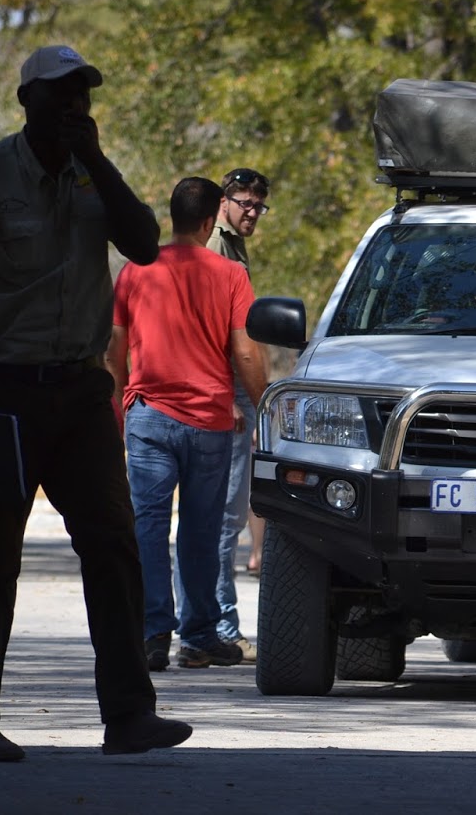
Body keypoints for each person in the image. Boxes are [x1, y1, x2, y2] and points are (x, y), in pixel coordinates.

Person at [0, 44, 189, 762]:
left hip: (77, 394)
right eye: (59, 94)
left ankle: (130, 716)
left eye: (83, 94)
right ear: (25, 101)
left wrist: (98, 162)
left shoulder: (92, 179)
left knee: (114, 544)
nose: (73, 105)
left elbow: (142, 247)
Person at [109, 176, 266, 671]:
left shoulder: (136, 270)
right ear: (207, 221)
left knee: (149, 527)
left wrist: (119, 406)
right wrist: (267, 404)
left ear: (171, 216)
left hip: (148, 418)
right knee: (200, 530)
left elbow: (114, 346)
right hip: (208, 423)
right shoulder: (230, 275)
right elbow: (244, 348)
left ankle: (153, 633)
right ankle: (198, 637)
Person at [205, 166, 271, 657]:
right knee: (223, 515)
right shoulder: (215, 247)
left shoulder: (233, 245)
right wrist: (232, 395)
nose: (251, 211)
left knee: (224, 512)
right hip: (222, 388)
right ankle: (220, 626)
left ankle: (210, 623)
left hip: (228, 388)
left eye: (257, 205)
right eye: (243, 202)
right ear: (223, 202)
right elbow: (212, 331)